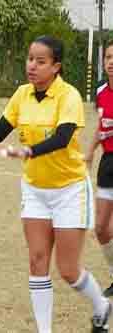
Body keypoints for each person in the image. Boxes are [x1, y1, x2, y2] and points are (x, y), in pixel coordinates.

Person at [0, 35, 111, 333]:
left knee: (69, 271)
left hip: (70, 190)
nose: (32, 66)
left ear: (56, 67)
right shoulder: (21, 94)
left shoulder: (68, 96)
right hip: (35, 190)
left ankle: (101, 306)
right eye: (30, 59)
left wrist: (30, 151)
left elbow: (62, 138)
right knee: (37, 261)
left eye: (40, 61)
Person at [85, 40, 113, 297]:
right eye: (108, 57)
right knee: (102, 227)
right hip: (108, 163)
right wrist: (91, 149)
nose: (111, 61)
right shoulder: (101, 91)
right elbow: (102, 126)